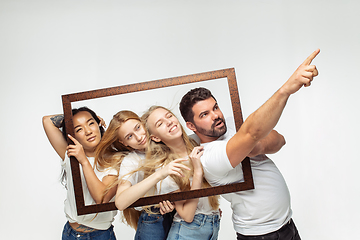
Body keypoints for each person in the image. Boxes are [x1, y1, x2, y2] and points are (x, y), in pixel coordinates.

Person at [179, 49, 320, 240]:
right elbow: (254, 132)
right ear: (191, 125)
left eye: (215, 107)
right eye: (204, 115)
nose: (215, 116)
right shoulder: (207, 156)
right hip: (260, 235)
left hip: (287, 224)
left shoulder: (229, 122)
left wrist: (258, 147)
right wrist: (286, 89)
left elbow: (280, 140)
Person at [95, 110, 184, 240]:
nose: (139, 137)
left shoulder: (168, 142)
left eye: (138, 128)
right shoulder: (131, 160)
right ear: (123, 143)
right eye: (129, 136)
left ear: (143, 123)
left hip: (182, 215)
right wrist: (160, 174)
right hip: (153, 220)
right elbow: (120, 202)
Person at [141, 106, 221, 240]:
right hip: (186, 231)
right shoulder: (166, 168)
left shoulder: (197, 141)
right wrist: (197, 172)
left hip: (213, 224)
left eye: (169, 116)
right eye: (160, 124)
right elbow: (187, 215)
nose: (169, 122)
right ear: (155, 137)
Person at [42, 107, 118, 240]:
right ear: (73, 135)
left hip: (101, 235)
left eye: (91, 123)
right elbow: (47, 121)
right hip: (71, 233)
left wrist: (84, 161)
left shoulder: (114, 159)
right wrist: (88, 117)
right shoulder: (70, 154)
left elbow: (101, 198)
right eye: (79, 129)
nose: (88, 131)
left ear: (98, 124)